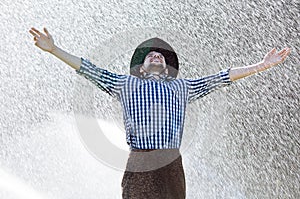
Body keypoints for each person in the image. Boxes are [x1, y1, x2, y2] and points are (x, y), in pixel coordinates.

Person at [29, 27, 291, 199]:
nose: (156, 55)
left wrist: (261, 66)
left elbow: (222, 77)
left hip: (170, 161)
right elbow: (89, 69)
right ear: (141, 68)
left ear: (167, 67)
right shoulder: (125, 84)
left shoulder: (182, 86)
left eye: (160, 55)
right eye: (150, 55)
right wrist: (54, 49)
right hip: (140, 160)